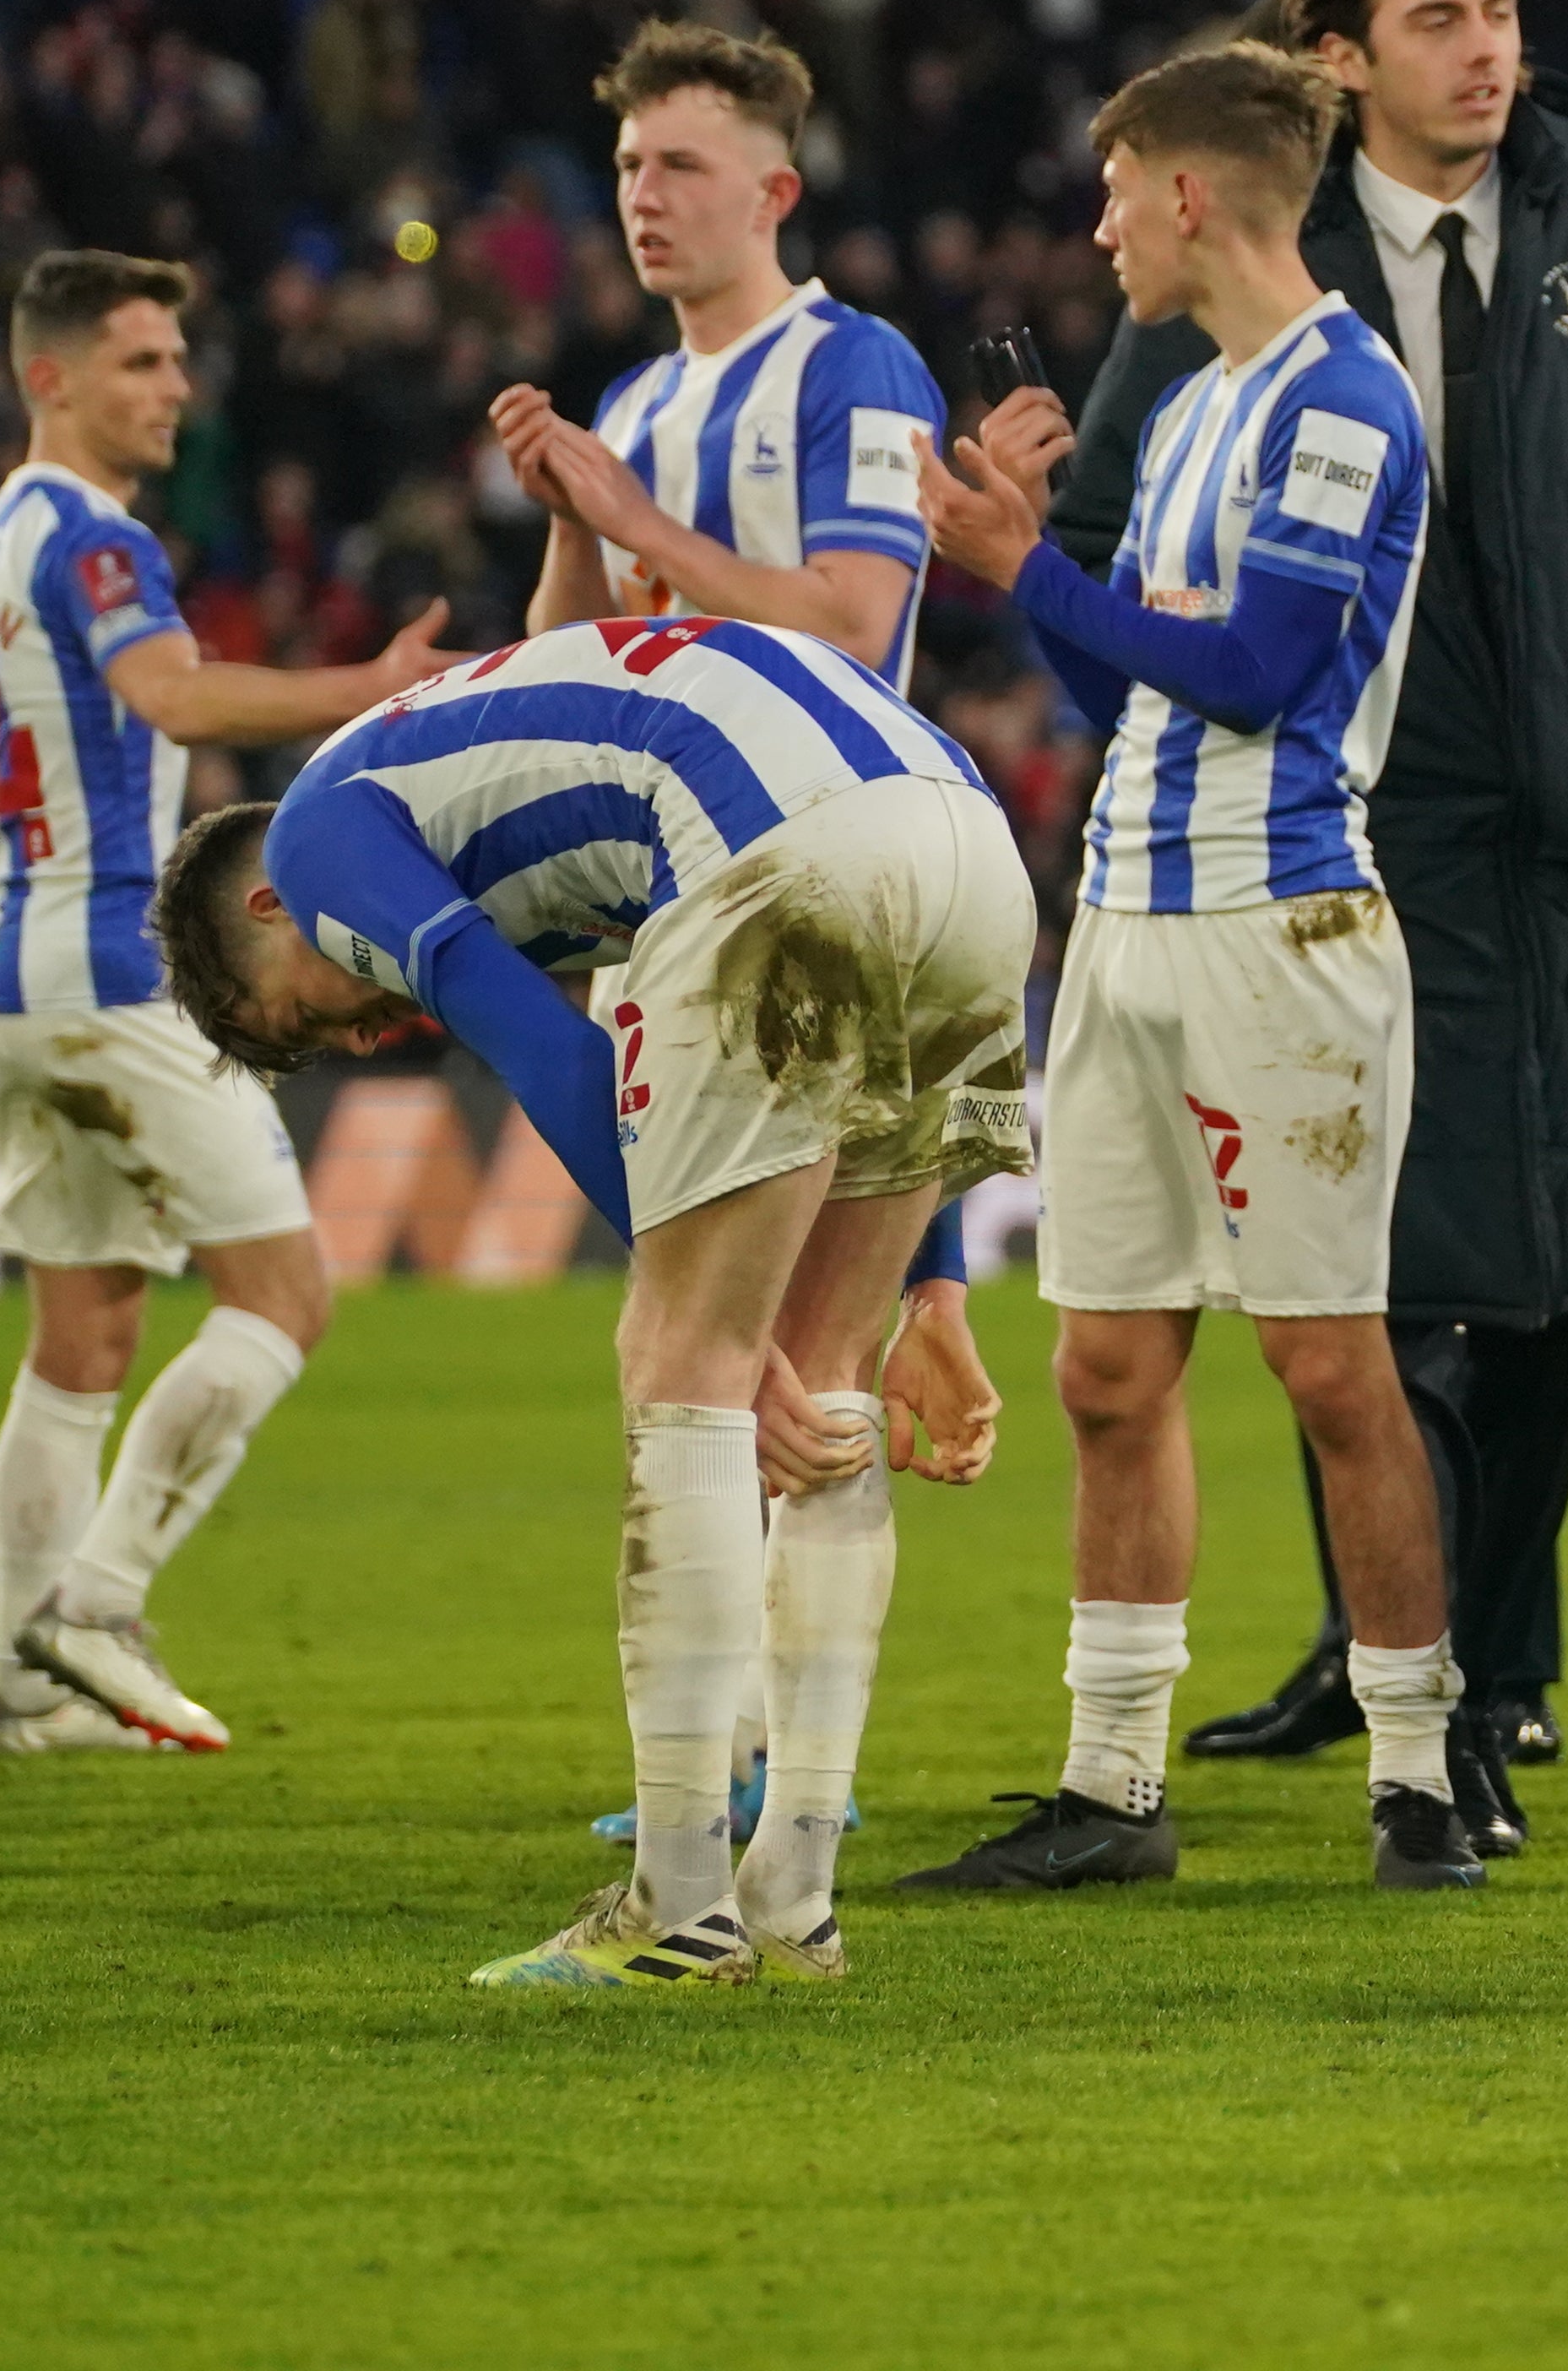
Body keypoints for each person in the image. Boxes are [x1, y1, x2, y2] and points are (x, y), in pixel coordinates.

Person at [1072, 0, 1568, 1857]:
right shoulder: (1252, 268)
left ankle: (1491, 1670)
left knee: (1541, 1276)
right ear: (1338, 60)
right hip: (1339, 833)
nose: (1489, 50)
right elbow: (1116, 512)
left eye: (1501, 10)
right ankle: (1407, 1669)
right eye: (1441, 20)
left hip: (1567, 820)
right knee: (1385, 1280)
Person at [155, 612, 1038, 1988]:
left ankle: (676, 1907)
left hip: (786, 851)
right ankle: (795, 1900)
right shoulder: (483, 783)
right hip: (974, 853)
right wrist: (939, 1290)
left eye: (303, 1015)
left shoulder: (320, 838)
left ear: (268, 910)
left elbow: (539, 1044)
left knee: (679, 1357)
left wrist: (713, 1326)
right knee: (835, 1371)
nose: (358, 1034)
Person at [899, 41, 1487, 1897]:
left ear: (1184, 194)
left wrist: (1025, 563)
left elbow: (1260, 673)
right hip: (1133, 921)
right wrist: (1030, 578)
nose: (1094, 227)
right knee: (1105, 1364)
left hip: (1281, 923)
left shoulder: (1341, 401)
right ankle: (1114, 1786)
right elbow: (1134, 685)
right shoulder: (1195, 410)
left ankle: (1417, 1772)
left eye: (1110, 186)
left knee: (1327, 1362)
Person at [483, 18, 1003, 1857]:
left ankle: (785, 1777)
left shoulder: (852, 365)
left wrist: (636, 519)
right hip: (684, 913)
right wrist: (575, 522)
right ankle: (745, 1771)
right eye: (628, 166)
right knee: (718, 1353)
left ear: (775, 190)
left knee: (793, 1356)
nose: (644, 194)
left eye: (682, 164)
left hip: (827, 884)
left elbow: (856, 624)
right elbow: (577, 644)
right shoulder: (633, 409)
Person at [0, 252, 464, 1756]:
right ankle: (94, 1610)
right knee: (284, 1297)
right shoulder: (95, 545)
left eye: (175, 359)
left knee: (81, 1336)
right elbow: (173, 697)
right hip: (115, 972)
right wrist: (372, 686)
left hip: (10, 976)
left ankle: (32, 1701)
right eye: (143, 362)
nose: (175, 388)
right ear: (50, 378)